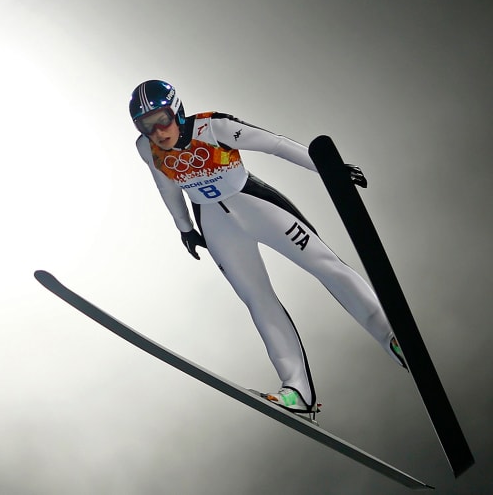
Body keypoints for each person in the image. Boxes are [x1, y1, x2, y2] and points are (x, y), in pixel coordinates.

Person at [130, 79, 405, 417]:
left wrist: (329, 169)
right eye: (147, 125)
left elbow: (274, 144)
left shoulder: (212, 126)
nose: (157, 132)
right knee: (257, 300)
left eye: (163, 119)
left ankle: (392, 336)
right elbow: (165, 184)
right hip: (218, 227)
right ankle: (297, 391)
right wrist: (184, 227)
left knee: (325, 266)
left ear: (178, 111)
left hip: (259, 208)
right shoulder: (147, 148)